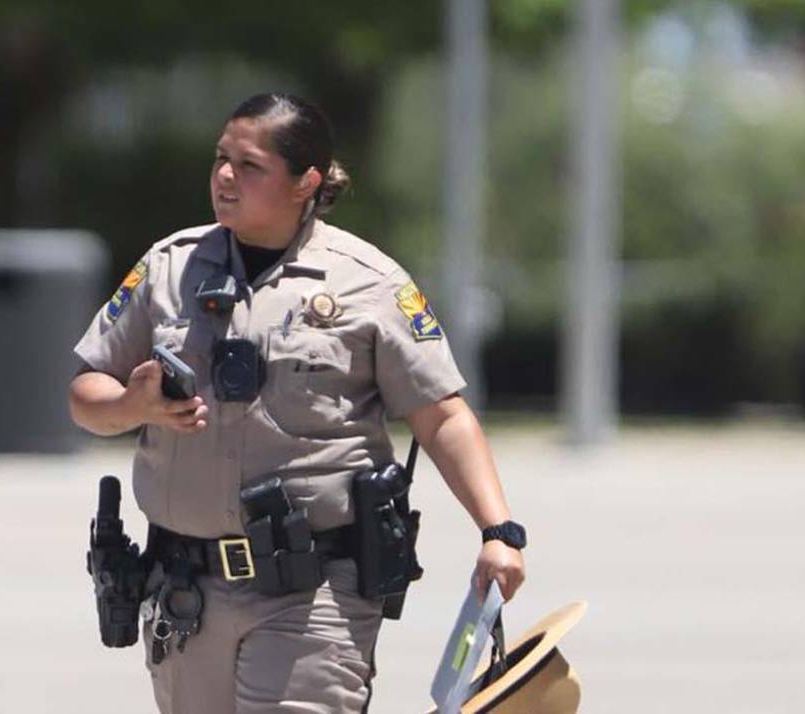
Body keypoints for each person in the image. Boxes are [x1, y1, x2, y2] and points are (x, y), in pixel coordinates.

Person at [68, 92, 525, 714]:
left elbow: (441, 414)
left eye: (249, 165)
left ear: (305, 181)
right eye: (221, 158)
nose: (225, 176)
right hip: (184, 592)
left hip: (313, 595)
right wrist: (133, 406)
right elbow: (85, 395)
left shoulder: (368, 283)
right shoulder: (170, 268)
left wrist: (498, 531)